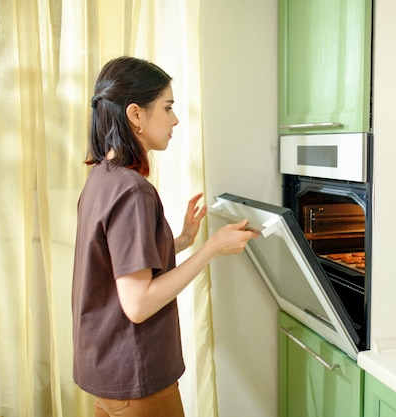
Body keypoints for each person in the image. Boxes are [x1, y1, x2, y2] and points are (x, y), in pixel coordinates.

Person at [72, 56, 258, 417]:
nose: (174, 120)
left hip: (107, 375)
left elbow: (120, 266)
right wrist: (210, 249)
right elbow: (138, 304)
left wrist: (183, 240)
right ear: (136, 115)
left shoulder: (101, 178)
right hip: (138, 380)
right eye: (167, 107)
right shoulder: (133, 190)